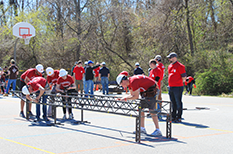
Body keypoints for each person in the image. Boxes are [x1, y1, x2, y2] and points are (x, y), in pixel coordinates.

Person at [167, 52, 187, 123]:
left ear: (174, 57)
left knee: (178, 102)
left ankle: (179, 116)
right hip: (171, 86)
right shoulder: (170, 66)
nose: (169, 59)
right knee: (172, 102)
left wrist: (178, 82)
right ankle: (173, 116)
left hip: (178, 87)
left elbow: (184, 77)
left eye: (170, 58)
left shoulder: (180, 66)